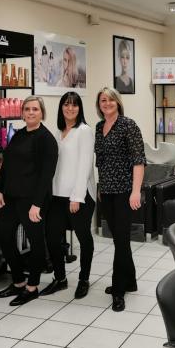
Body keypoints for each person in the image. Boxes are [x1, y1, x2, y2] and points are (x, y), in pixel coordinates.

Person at [0, 96, 58, 306]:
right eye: (27, 109)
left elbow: (47, 175)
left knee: (35, 242)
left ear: (42, 113)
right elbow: (6, 165)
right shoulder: (18, 135)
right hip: (11, 197)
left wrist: (37, 204)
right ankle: (18, 281)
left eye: (35, 109)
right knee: (4, 237)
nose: (30, 112)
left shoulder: (46, 139)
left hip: (32, 200)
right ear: (22, 113)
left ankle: (32, 287)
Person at [94, 87, 145, 312]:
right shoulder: (99, 127)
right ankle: (130, 281)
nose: (107, 103)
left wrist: (136, 191)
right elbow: (100, 161)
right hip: (107, 191)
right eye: (103, 100)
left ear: (118, 102)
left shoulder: (128, 125)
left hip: (125, 191)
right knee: (119, 240)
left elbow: (138, 160)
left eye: (111, 100)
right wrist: (100, 187)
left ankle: (118, 290)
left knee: (122, 241)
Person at [41, 92, 95, 299]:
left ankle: (84, 279)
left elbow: (85, 165)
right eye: (66, 104)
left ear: (80, 108)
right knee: (52, 237)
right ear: (61, 107)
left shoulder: (84, 131)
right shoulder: (58, 131)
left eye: (74, 105)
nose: (70, 108)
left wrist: (77, 196)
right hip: (57, 194)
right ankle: (60, 278)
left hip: (79, 195)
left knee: (83, 237)